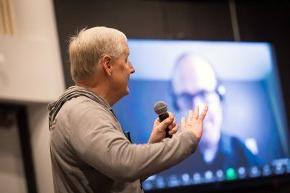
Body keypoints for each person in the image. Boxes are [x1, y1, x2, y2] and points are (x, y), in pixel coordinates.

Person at [48, 27, 208, 193]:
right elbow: (125, 164)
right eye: (126, 59)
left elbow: (117, 178)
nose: (132, 69)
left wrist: (154, 144)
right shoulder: (82, 112)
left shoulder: (87, 109)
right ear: (107, 65)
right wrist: (189, 138)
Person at [158, 53, 259, 181]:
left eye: (204, 93)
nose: (197, 109)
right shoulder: (168, 159)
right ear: (176, 105)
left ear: (220, 97)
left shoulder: (242, 151)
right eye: (185, 97)